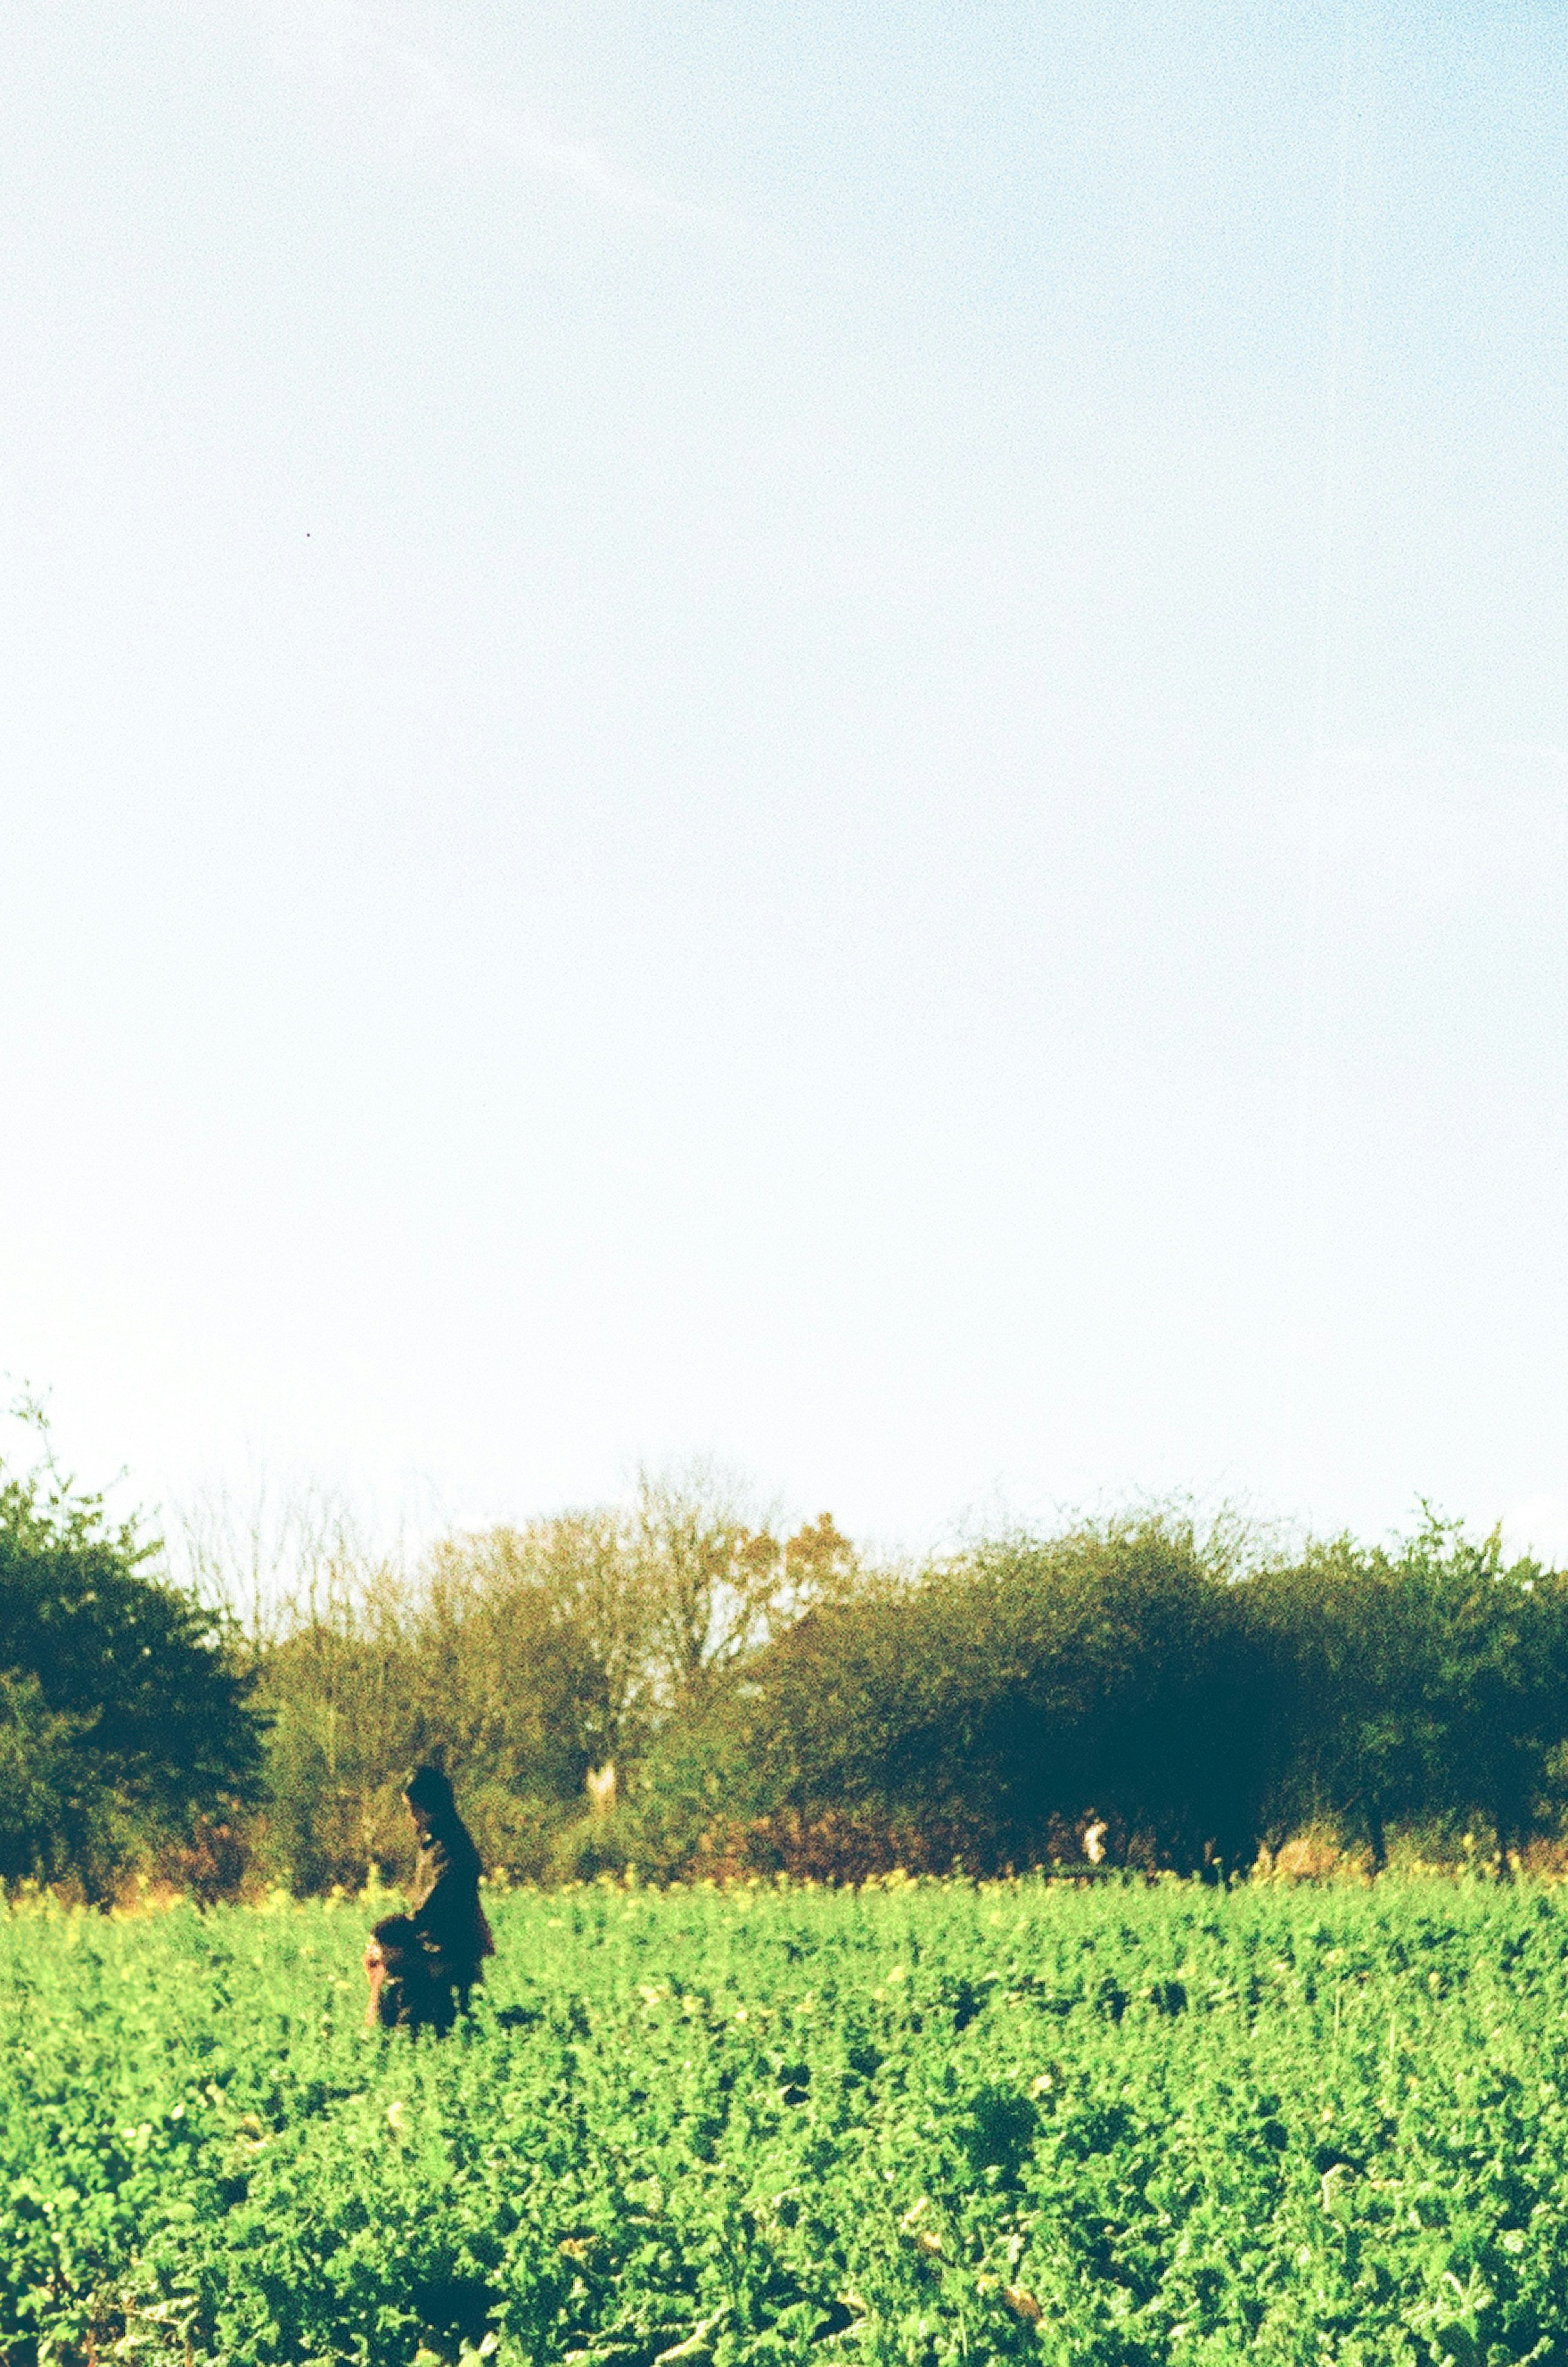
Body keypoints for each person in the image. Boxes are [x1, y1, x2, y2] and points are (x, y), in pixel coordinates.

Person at [364, 1764, 494, 2033]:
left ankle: (409, 2031)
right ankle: (393, 2028)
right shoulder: (436, 1841)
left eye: (413, 1809)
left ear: (429, 1807)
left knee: (389, 1952)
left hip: (453, 1945)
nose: (411, 1816)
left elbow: (435, 1909)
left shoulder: (451, 1847)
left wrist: (392, 1929)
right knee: (378, 1949)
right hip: (437, 1937)